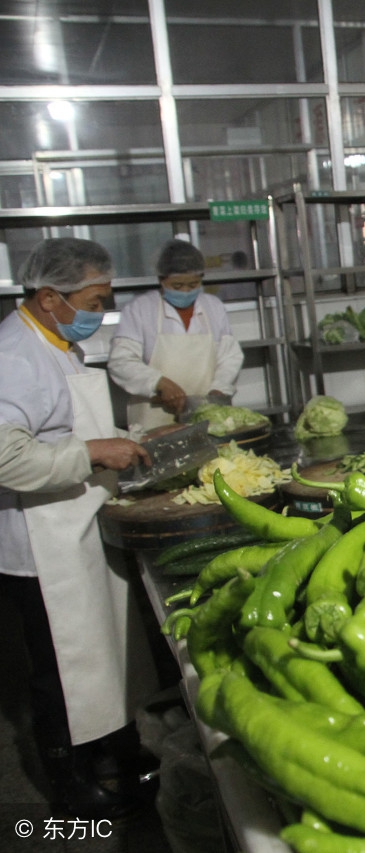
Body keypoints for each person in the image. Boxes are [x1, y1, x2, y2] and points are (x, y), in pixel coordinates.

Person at [0, 238, 159, 816]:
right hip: (39, 542)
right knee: (59, 667)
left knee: (102, 650)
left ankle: (115, 750)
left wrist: (129, 442)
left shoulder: (57, 342)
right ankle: (68, 783)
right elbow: (6, 458)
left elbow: (63, 426)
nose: (101, 310)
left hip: (76, 523)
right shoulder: (14, 357)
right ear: (50, 297)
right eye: (94, 300)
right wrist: (93, 452)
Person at [108, 238, 245, 431]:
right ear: (161, 280)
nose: (186, 291)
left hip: (207, 413)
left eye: (193, 284)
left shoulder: (213, 307)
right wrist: (158, 383)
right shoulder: (140, 309)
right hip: (154, 417)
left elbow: (229, 356)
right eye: (178, 286)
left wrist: (219, 390)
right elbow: (121, 361)